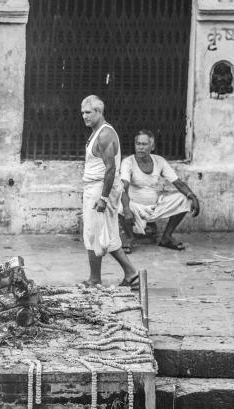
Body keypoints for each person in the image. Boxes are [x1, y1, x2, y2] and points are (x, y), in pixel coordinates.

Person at [80, 95, 139, 288]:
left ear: (99, 111)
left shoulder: (105, 134)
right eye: (82, 113)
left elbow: (111, 169)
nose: (84, 116)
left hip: (100, 189)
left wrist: (103, 198)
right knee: (108, 234)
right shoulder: (97, 132)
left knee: (93, 233)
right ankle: (131, 273)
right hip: (94, 187)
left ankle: (94, 279)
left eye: (88, 112)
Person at [119, 130, 201, 252]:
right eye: (138, 144)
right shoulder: (128, 162)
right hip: (134, 207)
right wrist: (126, 209)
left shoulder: (159, 161)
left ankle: (166, 237)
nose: (140, 147)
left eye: (144, 144)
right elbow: (123, 186)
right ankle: (129, 238)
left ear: (152, 147)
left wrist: (193, 197)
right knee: (118, 201)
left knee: (184, 199)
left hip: (155, 207)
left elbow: (178, 183)